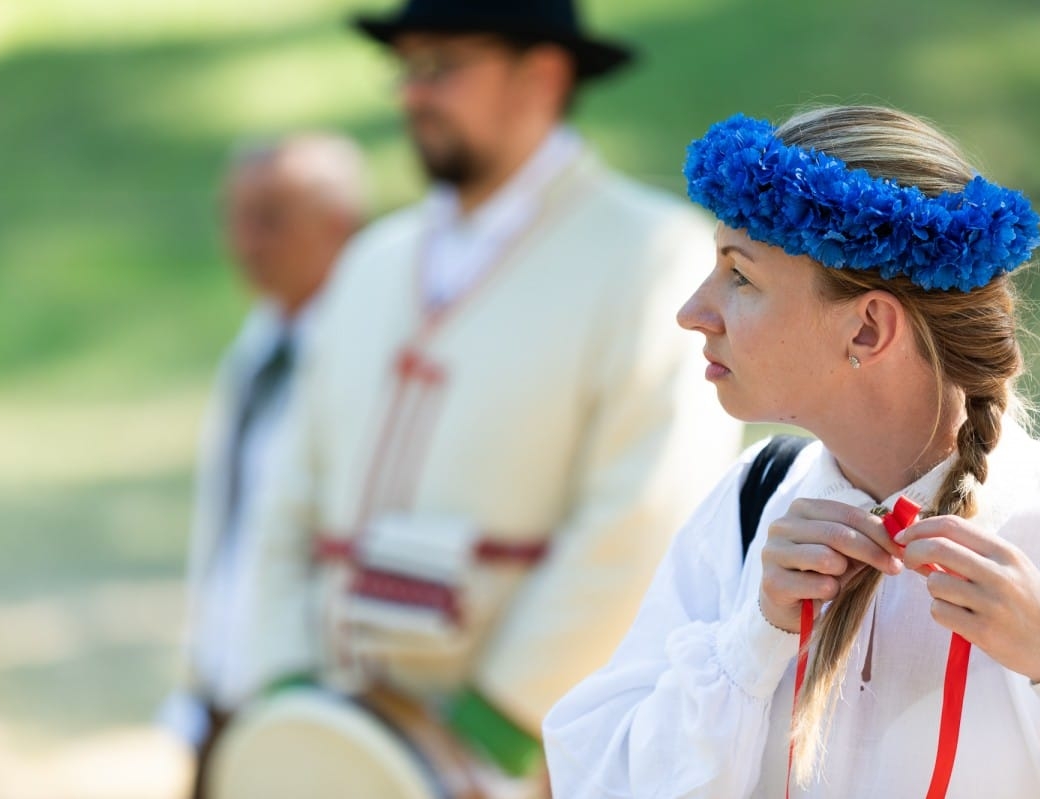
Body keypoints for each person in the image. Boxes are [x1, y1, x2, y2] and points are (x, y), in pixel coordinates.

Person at [230, 0, 742, 795]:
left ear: (541, 74)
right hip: (336, 741)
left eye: (442, 65)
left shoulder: (651, 258)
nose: (412, 93)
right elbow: (288, 489)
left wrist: (497, 726)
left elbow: (645, 511)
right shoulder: (371, 262)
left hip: (534, 760)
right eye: (406, 67)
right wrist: (289, 680)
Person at [543, 105, 1040, 798]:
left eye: (740, 276)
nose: (693, 311)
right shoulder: (749, 504)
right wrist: (754, 636)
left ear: (867, 329)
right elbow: (600, 780)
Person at [160, 134, 368, 799]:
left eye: (270, 218)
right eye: (235, 216)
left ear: (337, 225)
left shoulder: (370, 355)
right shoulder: (257, 346)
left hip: (311, 691)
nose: (246, 241)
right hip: (224, 681)